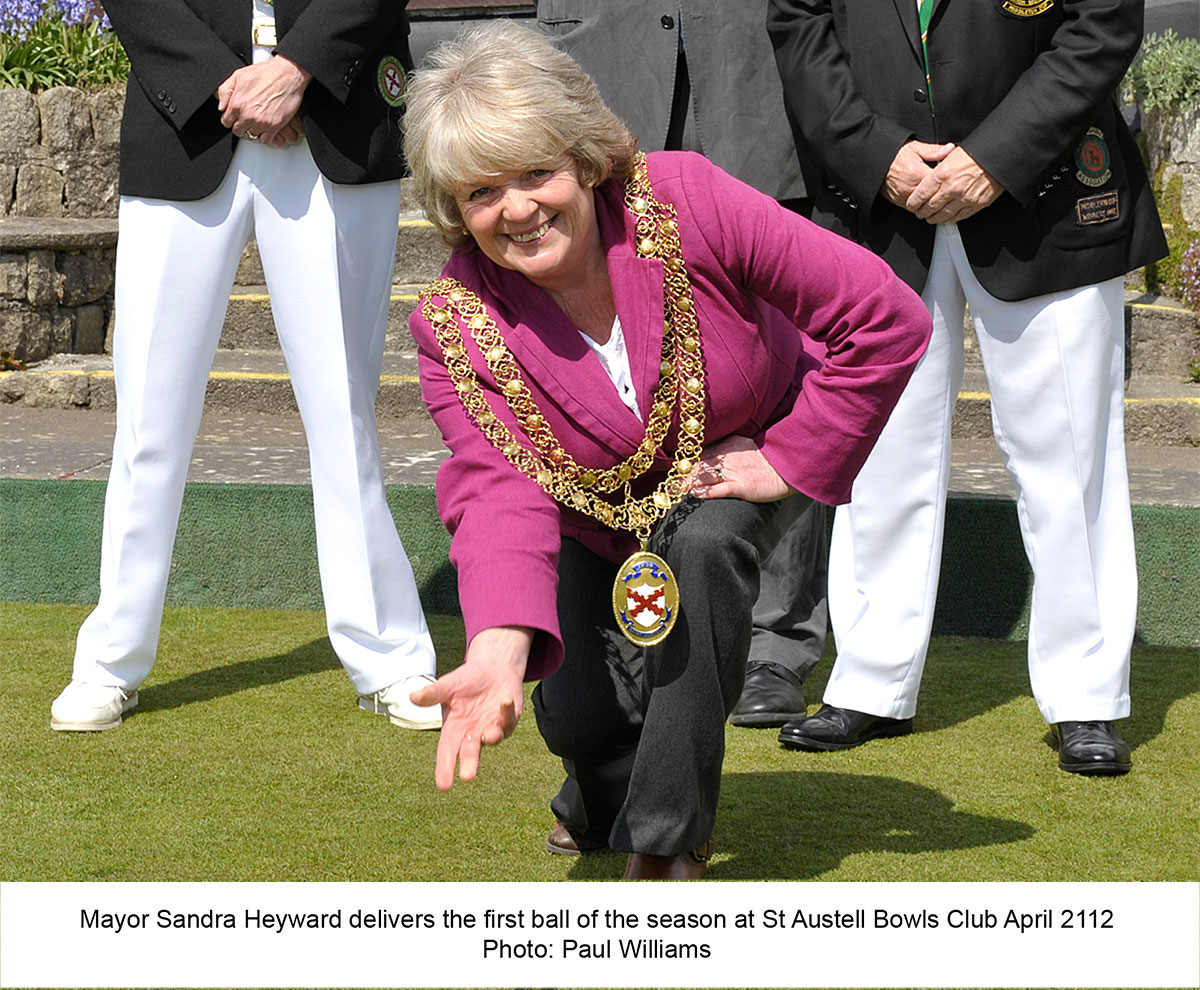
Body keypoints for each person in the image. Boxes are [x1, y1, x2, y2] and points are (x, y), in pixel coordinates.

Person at [402, 21, 930, 879]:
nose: (519, 209)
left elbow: (887, 317)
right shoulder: (452, 326)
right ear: (455, 210)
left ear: (584, 159)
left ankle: (667, 838)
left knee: (703, 551)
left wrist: (791, 458)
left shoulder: (687, 197)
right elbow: (496, 488)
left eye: (537, 172)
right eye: (482, 192)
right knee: (576, 715)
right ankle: (599, 787)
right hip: (589, 516)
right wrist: (497, 643)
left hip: (734, 468)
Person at [768, 0, 1168, 774]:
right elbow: (798, 22)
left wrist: (995, 158)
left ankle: (1086, 693)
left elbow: (1102, 24)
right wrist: (872, 152)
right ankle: (869, 683)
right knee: (877, 453)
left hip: (1046, 198)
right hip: (878, 203)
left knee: (1070, 457)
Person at [50, 0, 442, 734]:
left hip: (337, 112)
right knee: (149, 421)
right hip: (186, 125)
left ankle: (387, 654)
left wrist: (300, 68)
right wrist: (222, 84)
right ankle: (109, 660)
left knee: (343, 413)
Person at [535, 0, 826, 730]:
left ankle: (775, 644)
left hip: (755, 70)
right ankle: (622, 654)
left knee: (774, 376)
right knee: (605, 372)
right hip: (601, 57)